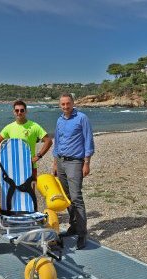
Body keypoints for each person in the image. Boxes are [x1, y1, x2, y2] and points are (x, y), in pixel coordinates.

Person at [52, 93, 95, 250]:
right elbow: (57, 141)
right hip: (61, 162)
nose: (65, 107)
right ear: (60, 105)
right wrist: (55, 163)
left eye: (67, 104)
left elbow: (88, 140)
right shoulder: (59, 120)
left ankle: (82, 234)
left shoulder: (82, 118)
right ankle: (74, 226)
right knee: (67, 197)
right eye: (62, 104)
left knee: (76, 197)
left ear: (73, 103)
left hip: (76, 162)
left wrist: (87, 163)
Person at [0, 100, 53, 182]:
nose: (19, 112)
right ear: (13, 112)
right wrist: (5, 155)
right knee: (15, 192)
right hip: (13, 166)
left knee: (30, 192)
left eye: (22, 110)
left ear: (26, 111)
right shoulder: (9, 127)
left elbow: (48, 141)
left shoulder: (34, 126)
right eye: (17, 110)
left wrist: (38, 156)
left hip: (30, 165)